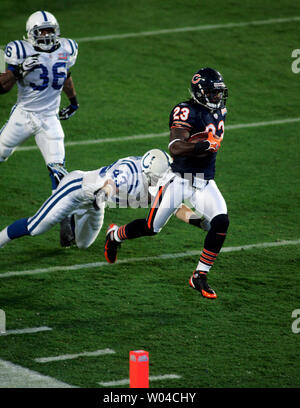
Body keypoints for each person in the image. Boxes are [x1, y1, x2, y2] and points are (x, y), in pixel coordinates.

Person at [104, 68, 230, 300]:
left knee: (221, 222)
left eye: (219, 93)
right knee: (152, 228)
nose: (217, 97)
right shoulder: (185, 110)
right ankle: (115, 235)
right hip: (179, 179)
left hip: (204, 181)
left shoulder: (220, 109)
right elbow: (175, 147)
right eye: (212, 93)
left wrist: (206, 146)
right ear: (200, 93)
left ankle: (199, 275)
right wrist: (202, 146)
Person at [0, 149, 206, 251]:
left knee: (82, 245)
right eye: (157, 179)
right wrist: (103, 196)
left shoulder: (157, 177)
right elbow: (110, 184)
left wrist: (202, 222)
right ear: (146, 172)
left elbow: (176, 207)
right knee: (37, 227)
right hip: (79, 189)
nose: (162, 184)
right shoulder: (129, 170)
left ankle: (70, 216)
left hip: (96, 204)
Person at [0, 10, 79, 246]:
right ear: (30, 34)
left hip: (49, 119)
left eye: (49, 31)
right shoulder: (19, 51)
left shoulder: (67, 48)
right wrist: (18, 70)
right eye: (40, 31)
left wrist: (73, 101)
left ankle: (65, 217)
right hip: (23, 116)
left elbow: (66, 75)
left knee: (58, 170)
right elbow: (2, 87)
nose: (45, 35)